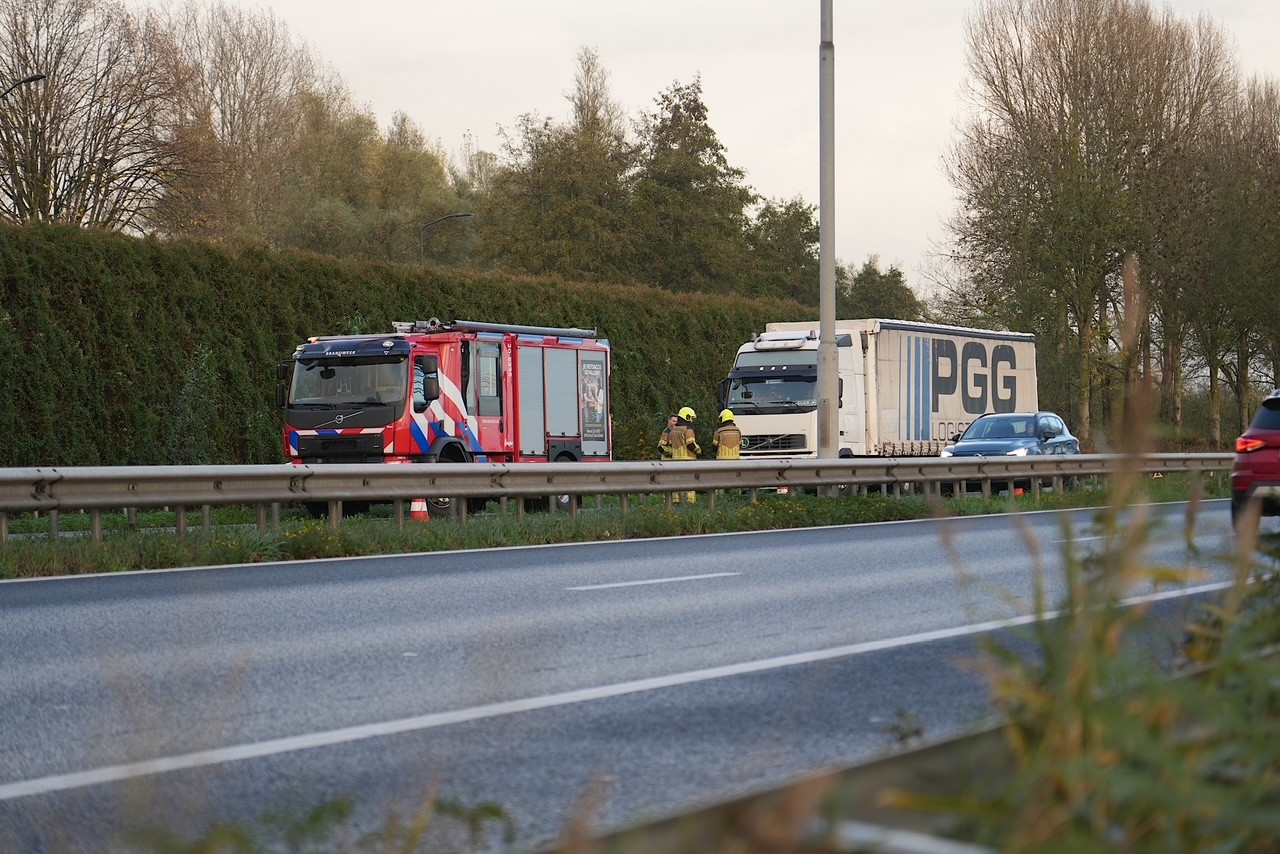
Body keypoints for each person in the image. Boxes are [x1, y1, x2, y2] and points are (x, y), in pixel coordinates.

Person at [669, 406, 701, 503]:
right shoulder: (688, 429)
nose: (692, 420)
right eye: (691, 417)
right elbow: (690, 444)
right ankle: (690, 501)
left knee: (676, 481)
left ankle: (676, 500)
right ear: (687, 417)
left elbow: (671, 444)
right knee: (689, 481)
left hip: (675, 460)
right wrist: (698, 450)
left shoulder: (673, 430)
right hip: (688, 460)